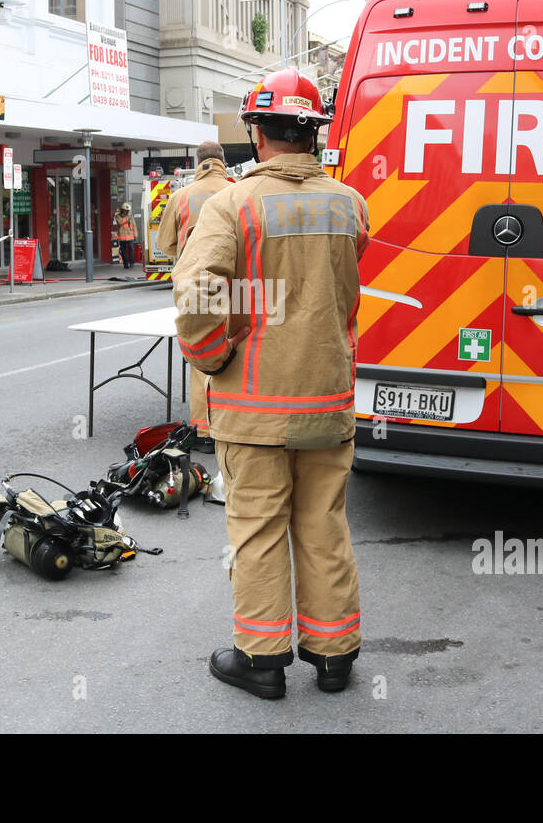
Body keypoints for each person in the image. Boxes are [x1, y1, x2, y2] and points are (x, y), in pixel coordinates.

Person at [173, 67, 368, 700]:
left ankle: (262, 662)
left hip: (254, 409)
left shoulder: (232, 205)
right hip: (328, 399)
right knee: (324, 523)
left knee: (257, 529)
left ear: (258, 135)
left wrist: (210, 358)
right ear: (311, 135)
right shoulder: (349, 205)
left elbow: (198, 293)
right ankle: (333, 656)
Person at [158, 140, 234, 450]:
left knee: (201, 351)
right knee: (233, 350)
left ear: (197, 161)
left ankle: (203, 429)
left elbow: (165, 244)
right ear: (223, 161)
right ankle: (230, 422)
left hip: (193, 285)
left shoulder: (182, 196)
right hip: (233, 284)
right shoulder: (237, 190)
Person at [114, 202, 137, 268]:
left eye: (127, 211)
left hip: (130, 235)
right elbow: (120, 222)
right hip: (122, 237)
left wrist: (135, 234)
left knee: (131, 249)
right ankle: (125, 263)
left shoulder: (130, 216)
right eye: (125, 210)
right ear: (122, 210)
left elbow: (134, 225)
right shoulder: (117, 216)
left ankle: (131, 262)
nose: (126, 212)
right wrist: (127, 219)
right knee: (123, 251)